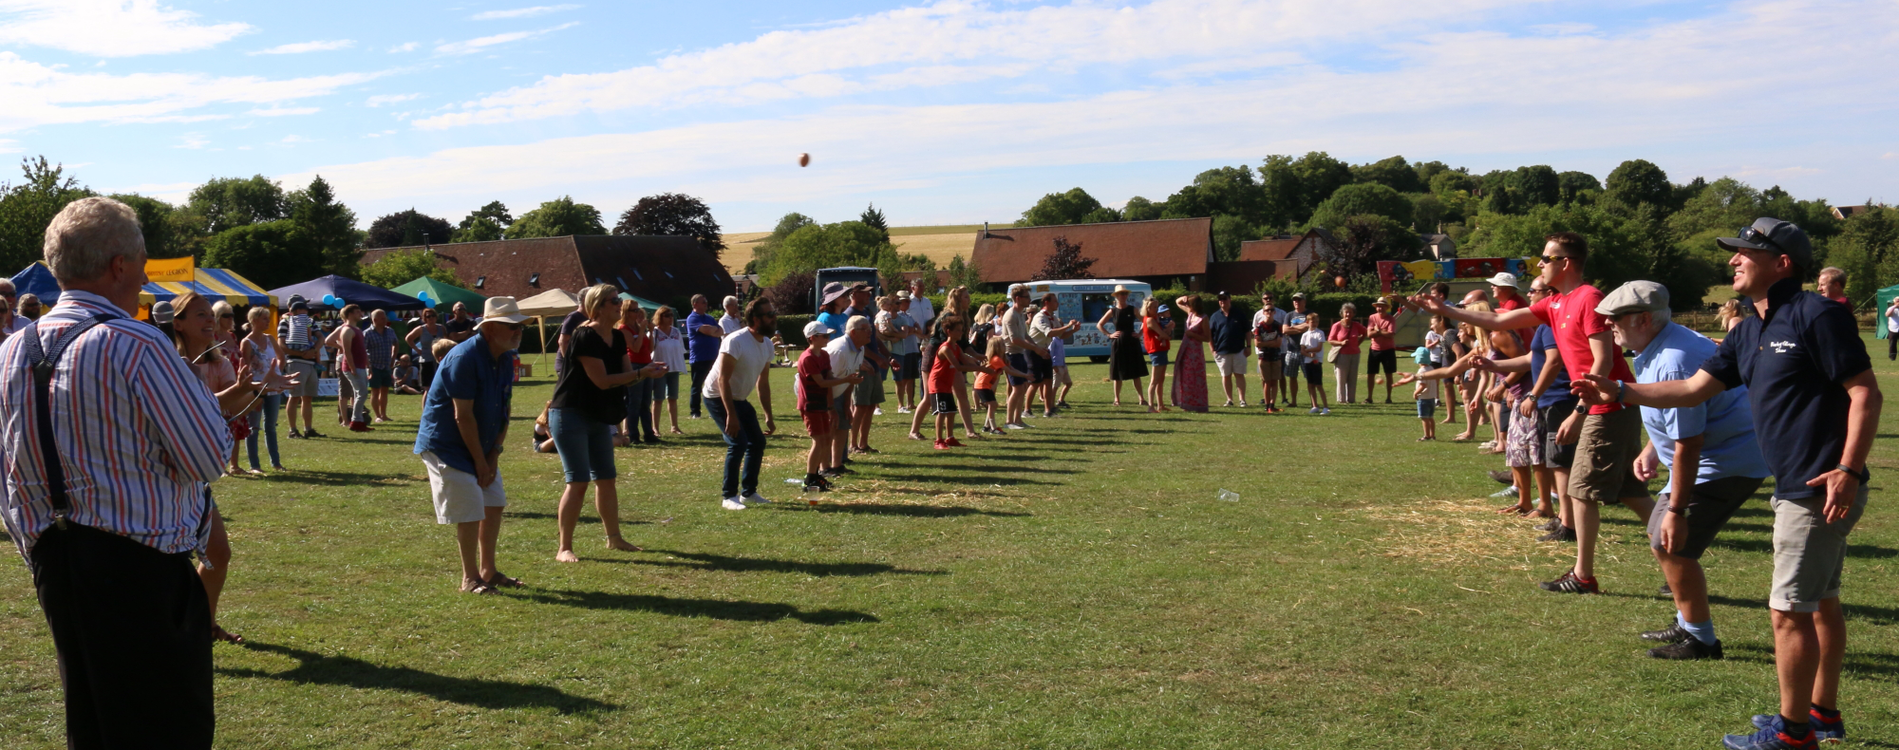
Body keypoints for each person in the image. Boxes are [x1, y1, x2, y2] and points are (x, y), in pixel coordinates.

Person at [1573, 219, 1880, 748]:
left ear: (1782, 263)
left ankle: (1794, 734)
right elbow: (1693, 390)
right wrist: (1621, 391)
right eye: (1734, 252)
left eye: (1746, 252)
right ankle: (1821, 715)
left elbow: (1865, 393)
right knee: (1821, 604)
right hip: (1796, 483)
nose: (1734, 260)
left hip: (1818, 487)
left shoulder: (1817, 314)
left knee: (1788, 612)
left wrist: (1848, 470)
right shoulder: (1748, 329)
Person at [1, 197, 246, 746]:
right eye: (140, 262)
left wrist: (36, 540)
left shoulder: (13, 349)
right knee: (166, 728)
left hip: (54, 558)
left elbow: (6, 464)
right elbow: (208, 457)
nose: (142, 275)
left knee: (93, 721)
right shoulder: (135, 342)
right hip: (141, 566)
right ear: (119, 266)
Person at [1411, 231, 1654, 595]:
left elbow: (1603, 359)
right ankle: (1677, 551)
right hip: (1598, 406)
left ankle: (1584, 576)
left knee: (1583, 490)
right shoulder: (1555, 304)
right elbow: (1495, 322)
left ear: (1565, 263)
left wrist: (1579, 410)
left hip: (1606, 406)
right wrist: (1445, 310)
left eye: (1546, 258)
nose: (1539, 264)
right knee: (1631, 493)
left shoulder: (1589, 298)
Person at [1585, 281, 1769, 661]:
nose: (1608, 327)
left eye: (1614, 319)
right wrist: (1654, 449)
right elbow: (1675, 414)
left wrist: (1677, 510)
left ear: (1642, 318)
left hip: (1725, 463)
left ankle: (1701, 640)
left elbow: (1690, 442)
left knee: (1670, 543)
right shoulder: (1655, 346)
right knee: (1663, 538)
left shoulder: (1674, 359)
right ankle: (1688, 622)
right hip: (1714, 458)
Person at [415, 296, 529, 594]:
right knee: (470, 508)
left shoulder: (505, 358)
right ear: (489, 329)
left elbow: (504, 410)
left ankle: (488, 571)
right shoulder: (464, 358)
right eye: (511, 326)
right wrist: (480, 462)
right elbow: (462, 417)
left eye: (520, 326)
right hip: (447, 445)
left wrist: (494, 455)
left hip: (484, 444)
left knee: (494, 502)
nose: (518, 331)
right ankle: (470, 578)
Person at [550, 285, 664, 563]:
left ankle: (614, 539)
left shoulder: (615, 335)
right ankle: (564, 548)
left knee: (606, 478)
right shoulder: (584, 335)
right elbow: (601, 381)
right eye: (615, 301)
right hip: (570, 413)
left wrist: (645, 372)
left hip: (598, 414)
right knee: (577, 481)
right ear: (599, 306)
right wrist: (641, 373)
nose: (620, 304)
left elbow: (626, 373)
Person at [705, 299, 778, 510]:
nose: (774, 317)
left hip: (738, 398)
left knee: (757, 442)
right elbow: (722, 380)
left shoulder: (767, 344)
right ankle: (729, 496)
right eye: (769, 314)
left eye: (773, 313)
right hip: (717, 396)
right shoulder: (735, 340)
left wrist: (769, 416)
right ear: (756, 319)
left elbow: (762, 383)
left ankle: (749, 493)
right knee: (738, 443)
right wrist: (731, 415)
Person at [239, 306, 287, 472]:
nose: (268, 321)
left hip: (273, 387)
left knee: (271, 426)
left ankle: (276, 462)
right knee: (254, 426)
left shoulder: (270, 339)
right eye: (265, 318)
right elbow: (244, 366)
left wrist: (277, 373)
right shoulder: (247, 342)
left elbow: (281, 357)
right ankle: (255, 465)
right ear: (254, 320)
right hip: (257, 388)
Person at [823, 315, 871, 471]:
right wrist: (831, 409)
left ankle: (837, 464)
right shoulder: (839, 350)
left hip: (839, 391)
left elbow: (852, 376)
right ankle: (823, 468)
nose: (870, 332)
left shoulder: (860, 348)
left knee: (843, 425)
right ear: (853, 332)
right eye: (865, 329)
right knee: (828, 430)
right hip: (822, 393)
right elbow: (826, 382)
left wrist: (845, 405)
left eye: (870, 328)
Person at [999, 285, 1047, 428]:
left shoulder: (1020, 314)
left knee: (1023, 386)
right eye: (1027, 297)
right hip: (1011, 355)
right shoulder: (1010, 315)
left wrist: (1037, 348)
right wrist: (1035, 349)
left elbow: (1025, 335)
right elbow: (1014, 340)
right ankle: (1009, 421)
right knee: (1018, 388)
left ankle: (1018, 420)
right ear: (1018, 298)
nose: (1030, 300)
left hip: (1019, 354)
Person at [279, 297, 324, 439]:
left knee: (308, 397)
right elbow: (282, 345)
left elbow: (321, 338)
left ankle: (308, 428)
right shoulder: (285, 322)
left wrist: (314, 351)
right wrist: (301, 354)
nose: (306, 311)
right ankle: (293, 430)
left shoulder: (310, 322)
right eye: (304, 308)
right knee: (294, 396)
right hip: (295, 362)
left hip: (310, 363)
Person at [928, 315, 975, 448]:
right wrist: (981, 368)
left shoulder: (956, 347)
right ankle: (938, 441)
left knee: (951, 411)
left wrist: (979, 363)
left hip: (946, 384)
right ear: (949, 331)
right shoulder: (946, 348)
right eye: (958, 330)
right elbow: (959, 367)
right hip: (937, 383)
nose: (961, 333)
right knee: (942, 412)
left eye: (962, 330)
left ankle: (950, 438)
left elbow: (966, 361)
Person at [1029, 292, 1078, 418]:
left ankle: (1048, 410)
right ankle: (1026, 410)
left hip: (1046, 351)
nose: (1058, 303)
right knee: (1035, 382)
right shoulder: (1040, 317)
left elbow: (1060, 336)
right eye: (1055, 301)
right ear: (1047, 303)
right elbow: (1049, 333)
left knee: (1048, 381)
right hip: (1034, 351)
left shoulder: (1053, 317)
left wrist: (1073, 330)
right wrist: (1068, 325)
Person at [325, 304, 373, 432]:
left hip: (360, 366)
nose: (360, 314)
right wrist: (352, 368)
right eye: (357, 312)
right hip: (353, 367)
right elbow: (347, 351)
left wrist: (367, 364)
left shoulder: (356, 329)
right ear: (350, 314)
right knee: (360, 393)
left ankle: (358, 420)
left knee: (360, 393)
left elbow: (361, 349)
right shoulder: (347, 330)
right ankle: (356, 421)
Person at [618, 298, 659, 445]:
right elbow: (634, 348)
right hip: (634, 366)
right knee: (634, 401)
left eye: (638, 310)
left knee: (645, 401)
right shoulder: (624, 329)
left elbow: (650, 348)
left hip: (646, 363)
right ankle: (633, 435)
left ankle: (649, 433)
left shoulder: (638, 327)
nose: (637, 313)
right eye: (634, 311)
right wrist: (642, 330)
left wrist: (651, 332)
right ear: (626, 312)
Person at [1099, 285, 1148, 406]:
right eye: (1121, 294)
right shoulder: (1112, 311)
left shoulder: (1133, 309)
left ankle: (1141, 398)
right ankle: (1117, 399)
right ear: (1116, 296)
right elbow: (1099, 324)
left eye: (1125, 294)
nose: (1124, 296)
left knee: (1135, 372)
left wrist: (1140, 333)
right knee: (1117, 373)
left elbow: (1145, 321)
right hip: (1118, 344)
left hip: (1132, 343)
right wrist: (1109, 335)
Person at [850, 309, 889, 456]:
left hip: (874, 366)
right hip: (862, 366)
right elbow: (857, 344)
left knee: (871, 405)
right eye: (864, 293)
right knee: (860, 406)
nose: (868, 296)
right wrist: (876, 358)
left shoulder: (867, 312)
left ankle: (863, 443)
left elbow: (874, 338)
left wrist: (886, 355)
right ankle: (853, 444)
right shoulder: (851, 314)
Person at [1393, 346, 1445, 439]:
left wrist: (1416, 393)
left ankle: (1426, 435)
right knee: (1430, 417)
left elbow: (1422, 385)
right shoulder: (1431, 368)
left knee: (1424, 418)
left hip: (1423, 398)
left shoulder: (1421, 371)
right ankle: (1432, 435)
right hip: (1432, 397)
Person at [1208, 292, 1249, 408]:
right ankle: (1229, 399)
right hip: (1221, 351)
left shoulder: (1239, 314)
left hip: (1239, 350)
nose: (1222, 302)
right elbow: (1210, 334)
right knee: (1225, 376)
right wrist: (1212, 350)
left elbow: (1247, 331)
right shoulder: (1215, 316)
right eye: (1220, 299)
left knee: (1239, 374)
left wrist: (1249, 346)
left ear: (1229, 299)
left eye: (1224, 299)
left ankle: (1242, 400)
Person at [685, 294, 723, 420]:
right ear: (695, 304)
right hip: (699, 358)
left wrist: (712, 330)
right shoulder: (692, 318)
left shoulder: (710, 318)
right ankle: (695, 411)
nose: (706, 304)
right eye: (703, 302)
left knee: (715, 384)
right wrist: (712, 331)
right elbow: (706, 330)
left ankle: (715, 410)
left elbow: (720, 331)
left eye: (706, 302)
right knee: (697, 385)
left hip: (713, 356)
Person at [651, 306, 687, 435]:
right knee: (658, 398)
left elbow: (681, 350)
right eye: (667, 315)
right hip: (659, 369)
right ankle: (655, 428)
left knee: (673, 398)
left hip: (674, 368)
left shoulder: (676, 332)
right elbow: (650, 350)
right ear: (660, 317)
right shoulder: (654, 332)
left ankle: (674, 426)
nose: (670, 318)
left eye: (671, 315)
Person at [1171, 295, 1210, 413]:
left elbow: (1207, 338)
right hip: (1185, 349)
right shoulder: (1190, 313)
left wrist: (1193, 335)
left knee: (1196, 378)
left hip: (1196, 352)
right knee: (1186, 377)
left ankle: (1198, 403)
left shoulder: (1203, 318)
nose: (1188, 306)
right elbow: (1177, 302)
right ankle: (1186, 403)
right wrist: (1184, 298)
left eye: (1190, 304)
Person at [886, 292, 923, 414]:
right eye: (904, 301)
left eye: (908, 301)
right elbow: (907, 331)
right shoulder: (893, 317)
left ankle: (909, 403)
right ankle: (900, 404)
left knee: (911, 377)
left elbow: (915, 330)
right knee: (902, 379)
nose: (907, 303)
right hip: (902, 350)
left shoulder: (908, 316)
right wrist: (909, 331)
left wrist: (910, 331)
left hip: (911, 348)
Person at [1252, 292, 1288, 411]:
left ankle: (1272, 405)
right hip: (1263, 357)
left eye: (1271, 310)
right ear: (1263, 312)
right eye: (1267, 311)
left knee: (1275, 381)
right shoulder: (1259, 327)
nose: (1269, 312)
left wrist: (1265, 343)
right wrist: (1270, 343)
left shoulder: (1278, 325)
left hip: (1276, 356)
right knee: (1266, 382)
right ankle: (1267, 405)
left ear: (1274, 312)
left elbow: (1279, 343)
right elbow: (1257, 343)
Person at [1327, 302, 1368, 405]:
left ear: (1354, 314)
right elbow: (1330, 340)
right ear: (1342, 313)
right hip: (1342, 355)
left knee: (1352, 378)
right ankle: (1341, 400)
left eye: (1350, 312)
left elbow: (1365, 332)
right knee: (1341, 378)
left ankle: (1351, 399)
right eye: (1346, 312)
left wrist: (1358, 343)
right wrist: (1340, 343)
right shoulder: (1336, 326)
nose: (1348, 315)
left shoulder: (1356, 325)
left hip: (1355, 354)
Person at [364, 309, 398, 423]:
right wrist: (368, 366)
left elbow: (396, 344)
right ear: (375, 320)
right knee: (375, 391)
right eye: (382, 318)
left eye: (385, 318)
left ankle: (384, 414)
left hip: (386, 366)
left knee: (384, 391)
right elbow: (363, 350)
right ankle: (377, 415)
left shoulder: (390, 331)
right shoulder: (367, 333)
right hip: (374, 366)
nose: (385, 320)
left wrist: (393, 358)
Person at [1364, 298, 1400, 404]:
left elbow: (1391, 335)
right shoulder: (1372, 317)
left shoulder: (1391, 319)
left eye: (1382, 306)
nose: (1380, 308)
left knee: (1389, 374)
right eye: (1378, 306)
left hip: (1388, 350)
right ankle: (1369, 397)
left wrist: (1378, 331)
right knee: (1371, 374)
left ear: (1386, 307)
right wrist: (1382, 332)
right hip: (1374, 349)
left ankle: (1389, 398)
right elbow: (1369, 334)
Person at [1141, 297, 1171, 413]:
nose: (1156, 309)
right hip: (1156, 351)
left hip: (1161, 349)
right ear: (1148, 308)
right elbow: (1162, 334)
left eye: (1157, 306)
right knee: (1154, 380)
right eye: (1154, 307)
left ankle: (1160, 404)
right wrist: (1168, 333)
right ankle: (1150, 406)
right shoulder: (1150, 320)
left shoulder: (1155, 318)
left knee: (1161, 379)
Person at [1282, 293, 1312, 408]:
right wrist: (1300, 328)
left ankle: (1312, 402)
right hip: (1292, 350)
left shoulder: (1309, 314)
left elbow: (1308, 327)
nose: (1296, 302)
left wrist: (1292, 328)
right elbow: (1285, 330)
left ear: (1304, 301)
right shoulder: (1289, 315)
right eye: (1295, 300)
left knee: (1309, 376)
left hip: (1306, 350)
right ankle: (1293, 401)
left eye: (1299, 300)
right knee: (1292, 376)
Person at [405, 306, 445, 389]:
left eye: (433, 315)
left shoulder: (441, 328)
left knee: (441, 385)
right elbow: (408, 338)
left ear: (436, 317)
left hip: (440, 360)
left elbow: (447, 340)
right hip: (426, 360)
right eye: (428, 316)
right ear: (424, 318)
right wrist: (416, 349)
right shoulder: (421, 329)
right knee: (427, 387)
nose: (431, 318)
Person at [1298, 312, 1329, 414]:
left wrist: (1309, 351)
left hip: (1316, 361)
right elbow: (1302, 350)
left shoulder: (1319, 333)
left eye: (1316, 321)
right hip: (1308, 362)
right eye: (1312, 322)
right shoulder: (1304, 335)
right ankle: (1315, 405)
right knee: (1310, 384)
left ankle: (1325, 407)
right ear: (1307, 322)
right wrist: (1308, 354)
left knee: (1319, 385)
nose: (1314, 323)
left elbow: (1319, 347)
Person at [1886, 296, 1899, 361]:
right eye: (1897, 301)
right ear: (1894, 302)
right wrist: (1894, 307)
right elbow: (1887, 315)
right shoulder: (1891, 308)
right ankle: (1892, 357)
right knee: (1892, 344)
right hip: (1893, 329)